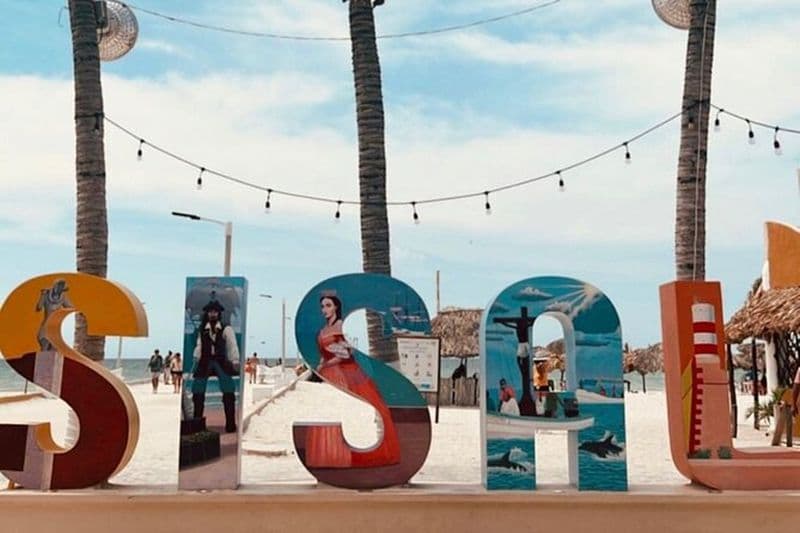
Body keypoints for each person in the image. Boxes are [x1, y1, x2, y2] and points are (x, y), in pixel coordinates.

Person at [304, 293, 401, 468]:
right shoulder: (323, 330)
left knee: (377, 406)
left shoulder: (340, 327)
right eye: (322, 306)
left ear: (336, 307)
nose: (324, 310)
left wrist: (325, 366)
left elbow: (345, 354)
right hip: (328, 374)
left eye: (328, 305)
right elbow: (322, 355)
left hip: (345, 372)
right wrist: (318, 370)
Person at [192, 300, 241, 433]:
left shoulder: (226, 328)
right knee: (197, 389)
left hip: (220, 361)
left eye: (215, 312)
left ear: (218, 313)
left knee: (228, 389)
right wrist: (196, 357)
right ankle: (197, 424)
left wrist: (235, 359)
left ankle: (230, 424)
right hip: (205, 361)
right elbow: (199, 345)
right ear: (207, 313)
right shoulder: (202, 330)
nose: (212, 314)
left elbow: (232, 345)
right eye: (210, 312)